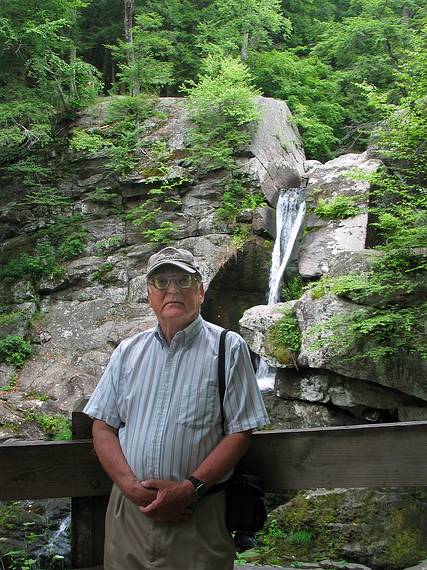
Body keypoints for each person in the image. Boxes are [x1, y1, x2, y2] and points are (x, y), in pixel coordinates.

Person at [83, 246, 269, 570]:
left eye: (182, 280)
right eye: (161, 281)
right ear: (149, 295)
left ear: (199, 291)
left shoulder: (229, 348)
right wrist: (130, 487)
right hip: (129, 517)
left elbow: (241, 432)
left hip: (198, 516)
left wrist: (190, 489)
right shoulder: (127, 352)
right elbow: (103, 426)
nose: (172, 289)